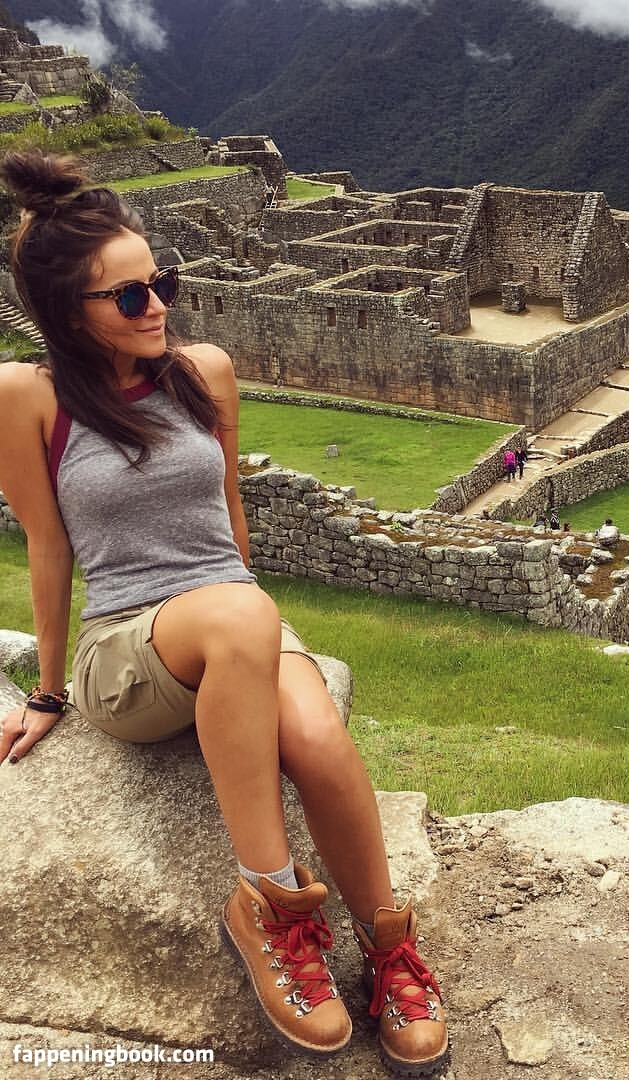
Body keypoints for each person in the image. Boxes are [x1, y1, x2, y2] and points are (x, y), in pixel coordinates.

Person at [0, 152, 448, 1074]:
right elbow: (46, 545)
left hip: (234, 622)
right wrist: (46, 692)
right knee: (243, 617)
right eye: (129, 296)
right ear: (69, 314)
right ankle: (267, 904)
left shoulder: (204, 371)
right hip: (128, 646)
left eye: (160, 283)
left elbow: (228, 519)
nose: (157, 306)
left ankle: (388, 948)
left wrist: (262, 643)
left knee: (315, 736)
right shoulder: (27, 395)